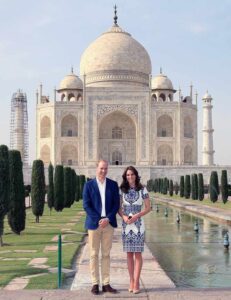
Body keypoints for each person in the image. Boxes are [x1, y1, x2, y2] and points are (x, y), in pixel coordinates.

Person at [83, 159, 120, 295]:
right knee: (93, 254)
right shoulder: (88, 185)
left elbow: (116, 204)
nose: (103, 171)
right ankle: (94, 283)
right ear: (96, 168)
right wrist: (99, 219)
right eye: (101, 168)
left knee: (106, 254)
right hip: (94, 224)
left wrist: (107, 218)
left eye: (105, 168)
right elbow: (86, 205)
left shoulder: (113, 185)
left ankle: (106, 283)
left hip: (108, 224)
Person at [119, 166, 151, 294]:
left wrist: (137, 215)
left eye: (132, 174)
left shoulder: (142, 189)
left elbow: (148, 207)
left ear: (136, 175)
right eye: (127, 175)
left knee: (137, 254)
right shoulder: (122, 190)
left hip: (138, 225)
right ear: (125, 177)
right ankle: (131, 280)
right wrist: (124, 216)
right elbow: (119, 208)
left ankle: (137, 282)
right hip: (126, 225)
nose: (130, 177)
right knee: (129, 254)